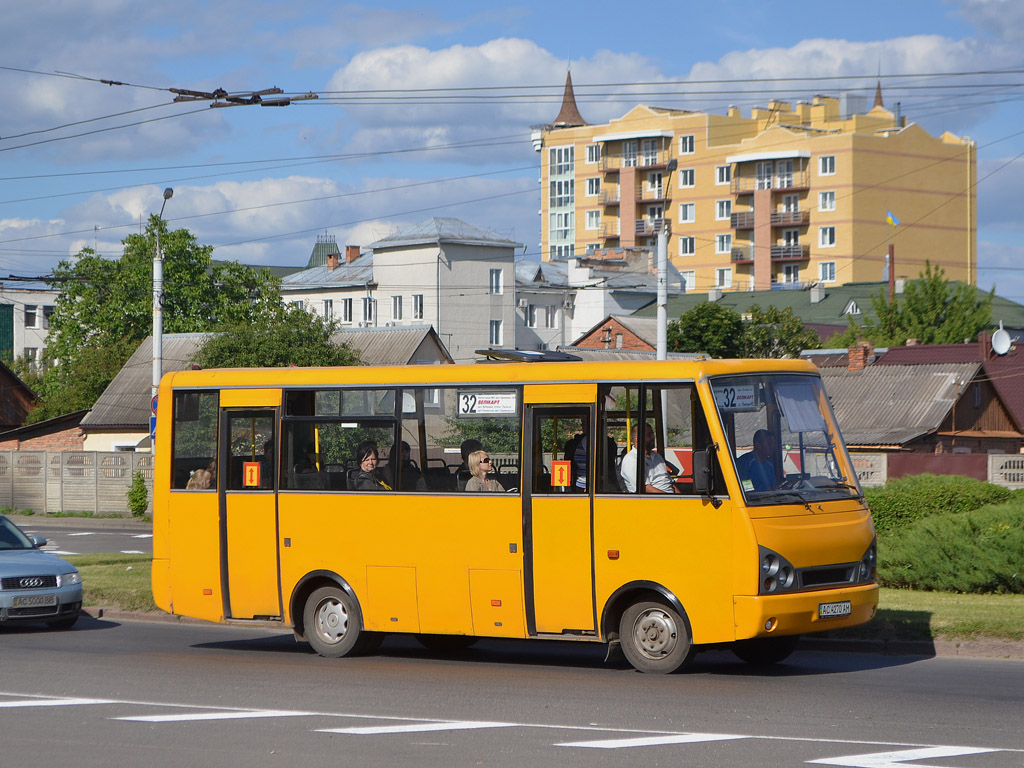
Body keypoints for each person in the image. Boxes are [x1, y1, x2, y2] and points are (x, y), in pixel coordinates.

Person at [619, 423, 675, 493]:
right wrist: (670, 498)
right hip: (653, 500)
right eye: (649, 435)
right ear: (638, 439)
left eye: (652, 434)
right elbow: (645, 488)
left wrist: (682, 498)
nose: (653, 437)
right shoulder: (631, 460)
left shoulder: (657, 457)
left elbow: (669, 483)